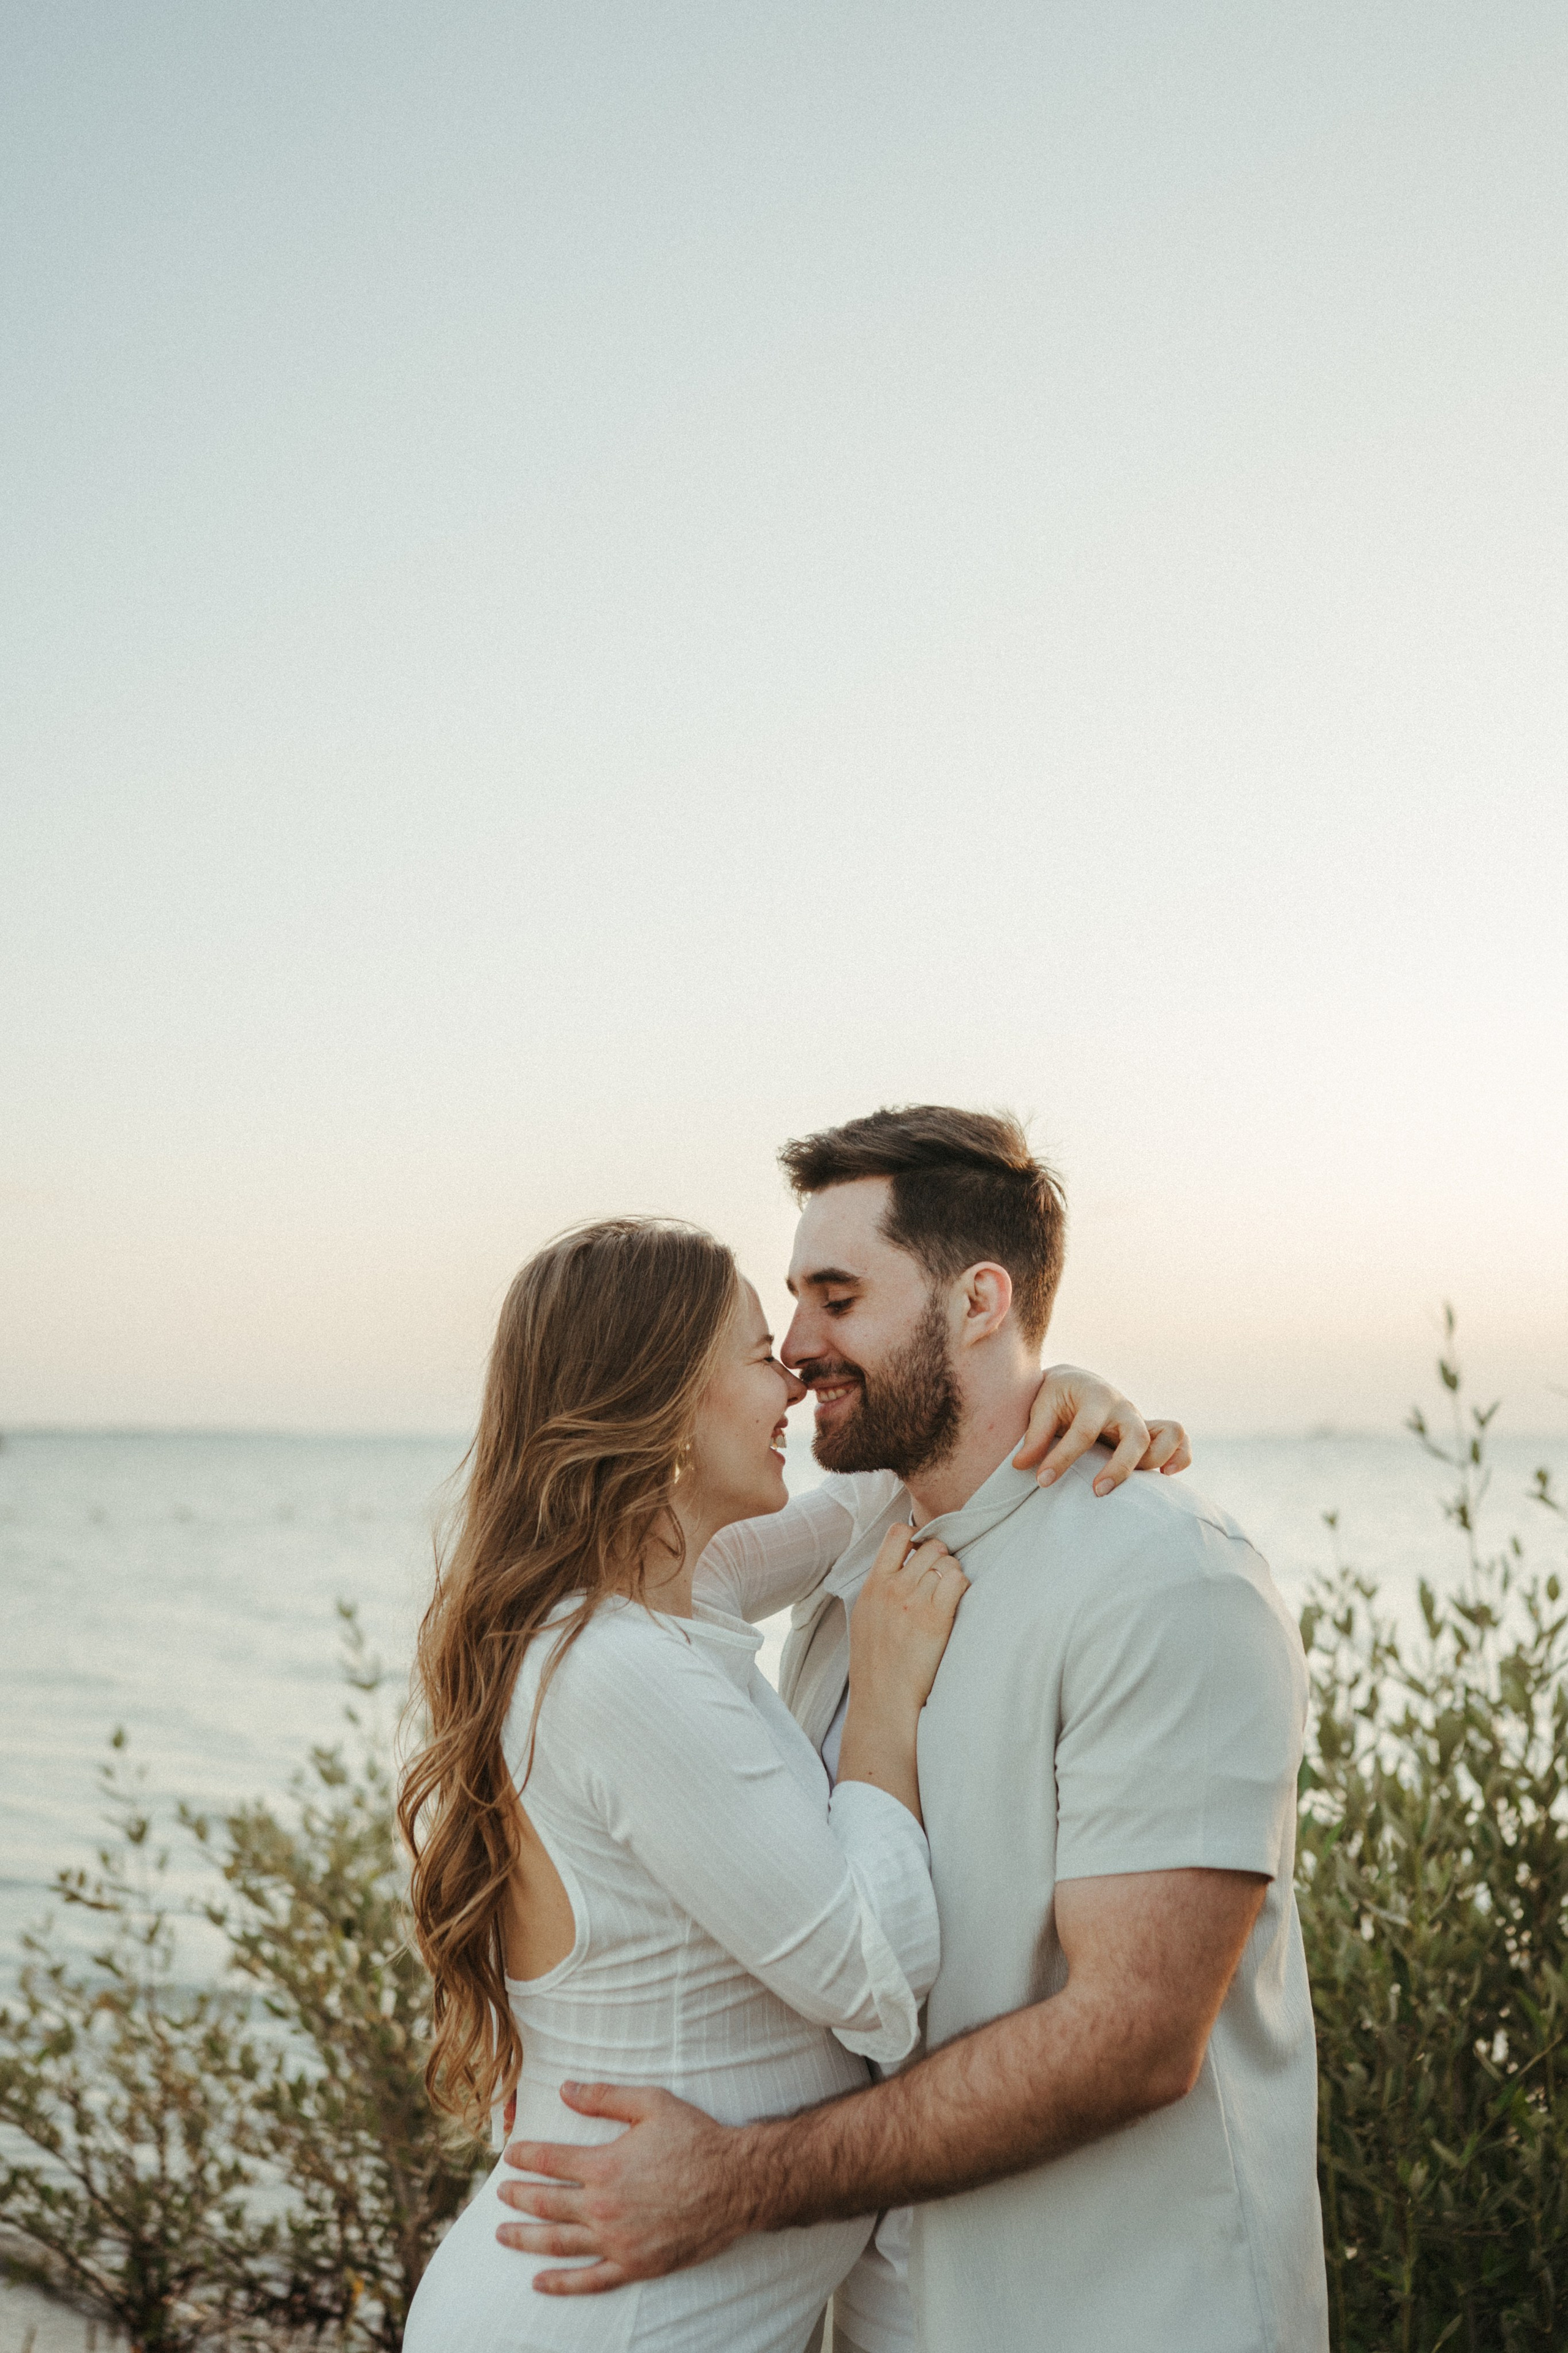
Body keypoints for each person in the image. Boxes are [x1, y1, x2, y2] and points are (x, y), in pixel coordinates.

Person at [496, 1108, 1330, 2353]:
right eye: (791, 1303)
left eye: (836, 1298)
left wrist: (739, 2180)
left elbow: (1134, 2040)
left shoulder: (1167, 1583)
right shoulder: (860, 1557)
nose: (795, 1349)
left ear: (979, 1300)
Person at [399, 1210, 1177, 2353]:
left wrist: (1044, 1388)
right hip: (601, 2325)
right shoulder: (616, 1668)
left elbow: (885, 1489)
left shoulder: (666, 1591)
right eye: (764, 1355)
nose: (797, 1381)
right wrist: (884, 1700)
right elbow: (875, 1977)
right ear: (666, 1403)